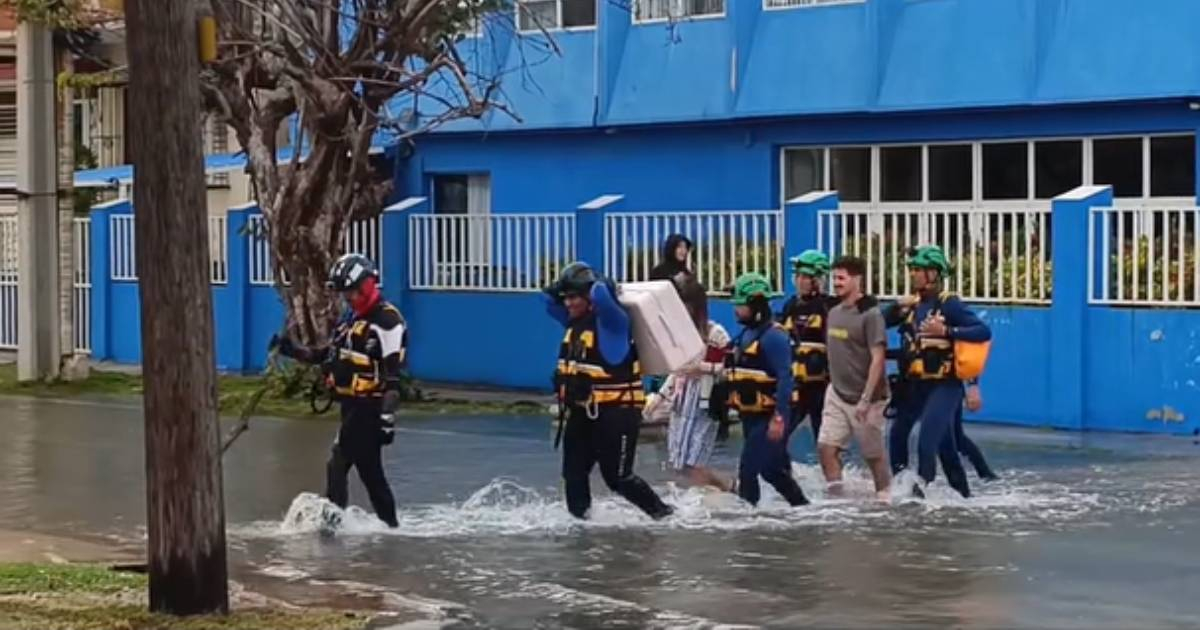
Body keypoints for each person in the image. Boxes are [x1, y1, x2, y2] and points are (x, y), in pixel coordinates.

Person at [272, 253, 404, 528]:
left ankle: (332, 527)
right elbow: (326, 354)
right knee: (370, 473)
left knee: (338, 463)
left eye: (352, 292)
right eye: (345, 293)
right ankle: (390, 527)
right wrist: (291, 350)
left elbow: (393, 380)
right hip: (351, 407)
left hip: (369, 409)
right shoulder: (349, 321)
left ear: (367, 285)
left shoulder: (387, 322)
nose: (349, 298)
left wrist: (386, 421)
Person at [543, 262, 675, 520]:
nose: (567, 303)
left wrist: (593, 281)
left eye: (574, 297)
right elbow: (545, 300)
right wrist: (565, 284)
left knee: (618, 478)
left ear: (587, 296)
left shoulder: (613, 323)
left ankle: (665, 517)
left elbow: (602, 293)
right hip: (583, 412)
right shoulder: (573, 321)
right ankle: (582, 525)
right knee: (573, 473)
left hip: (617, 413)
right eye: (566, 298)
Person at [886, 246, 992, 498]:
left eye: (919, 270)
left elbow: (982, 331)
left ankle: (924, 502)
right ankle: (914, 489)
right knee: (899, 437)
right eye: (912, 270)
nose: (914, 275)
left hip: (944, 386)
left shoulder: (949, 304)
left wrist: (946, 332)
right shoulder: (911, 306)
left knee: (927, 444)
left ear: (934, 274)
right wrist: (894, 308)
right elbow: (877, 323)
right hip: (913, 384)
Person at [725, 272, 810, 507]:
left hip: (769, 414)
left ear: (756, 305)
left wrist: (779, 417)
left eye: (740, 305)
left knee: (749, 468)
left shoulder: (774, 336)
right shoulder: (746, 334)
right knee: (771, 470)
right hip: (751, 413)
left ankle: (747, 518)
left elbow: (785, 378)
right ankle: (802, 508)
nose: (736, 310)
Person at [647, 278, 733, 491]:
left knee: (695, 465)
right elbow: (677, 372)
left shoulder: (716, 334)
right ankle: (724, 488)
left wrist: (703, 368)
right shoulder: (680, 336)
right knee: (680, 465)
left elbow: (730, 369)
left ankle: (728, 488)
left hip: (705, 401)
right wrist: (659, 398)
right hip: (681, 401)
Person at [818, 256, 891, 499]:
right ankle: (837, 500)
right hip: (837, 394)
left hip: (868, 399)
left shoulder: (871, 315)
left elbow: (878, 359)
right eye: (834, 278)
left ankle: (884, 499)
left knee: (873, 456)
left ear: (857, 279)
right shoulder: (834, 312)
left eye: (841, 278)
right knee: (826, 448)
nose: (836, 283)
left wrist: (866, 399)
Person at [778, 250, 839, 445]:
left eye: (805, 276)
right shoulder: (791, 306)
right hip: (797, 384)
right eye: (798, 276)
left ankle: (836, 475)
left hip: (822, 386)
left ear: (817, 280)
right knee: (778, 436)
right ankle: (782, 473)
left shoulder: (828, 306)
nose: (800, 281)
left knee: (825, 442)